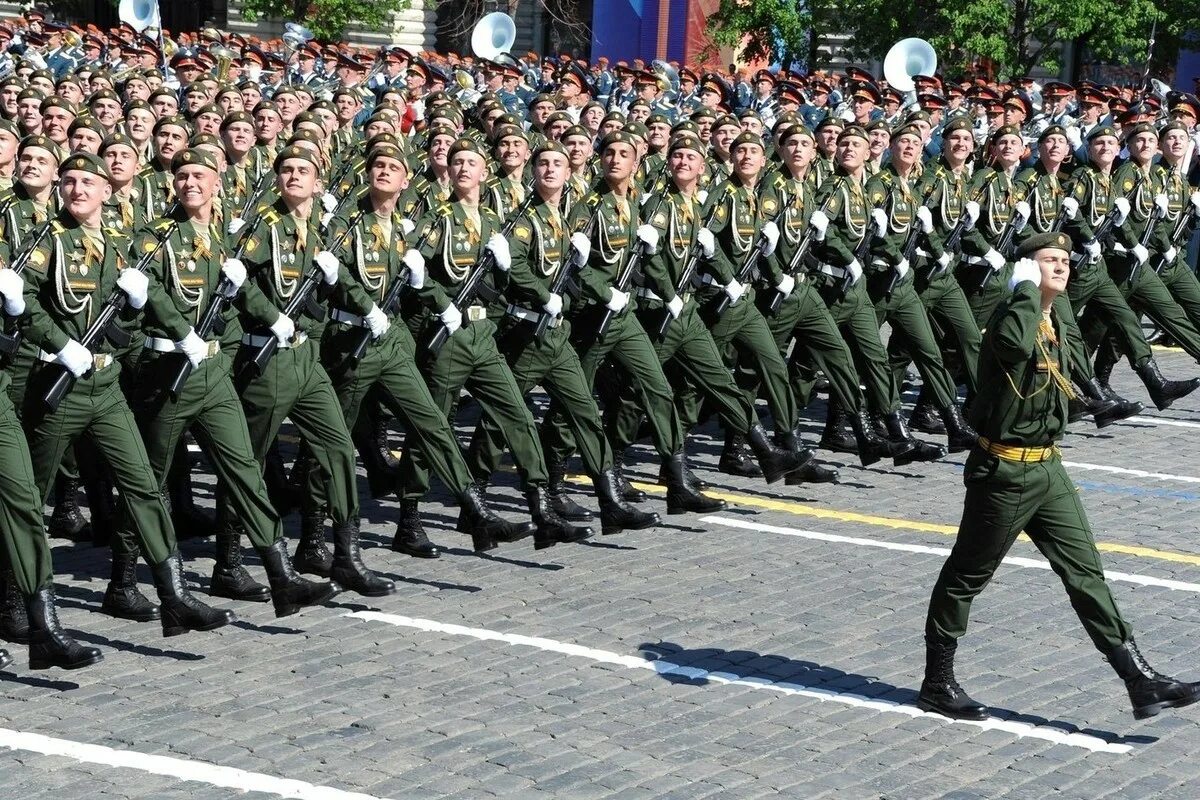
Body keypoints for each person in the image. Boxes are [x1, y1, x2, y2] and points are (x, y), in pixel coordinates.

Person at [920, 231, 1200, 721]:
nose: (1061, 266)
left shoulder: (1054, 317)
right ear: (1026, 269)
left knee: (1086, 573)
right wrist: (1027, 289)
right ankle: (937, 682)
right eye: (1048, 260)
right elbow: (1014, 348)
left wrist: (1054, 301)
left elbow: (1070, 359)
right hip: (1002, 471)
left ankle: (1140, 680)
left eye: (1065, 261)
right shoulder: (1012, 316)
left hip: (1047, 467)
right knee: (966, 576)